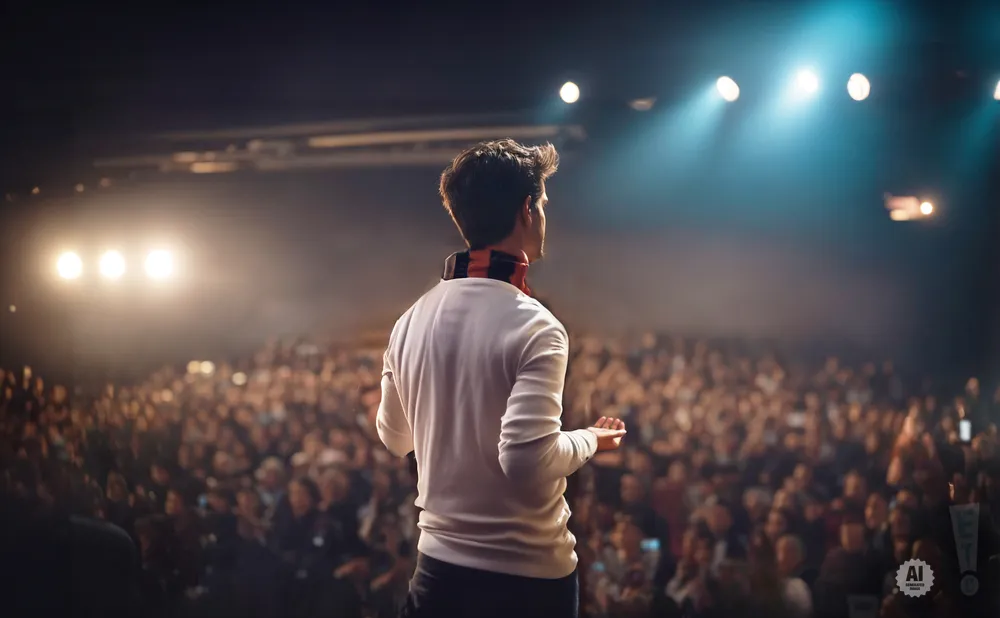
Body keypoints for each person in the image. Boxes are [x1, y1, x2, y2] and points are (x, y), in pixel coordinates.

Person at [376, 139, 628, 618]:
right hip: (526, 582)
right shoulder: (536, 324)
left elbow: (394, 438)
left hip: (437, 570)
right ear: (527, 210)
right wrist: (592, 439)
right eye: (545, 205)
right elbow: (525, 461)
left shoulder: (408, 319)